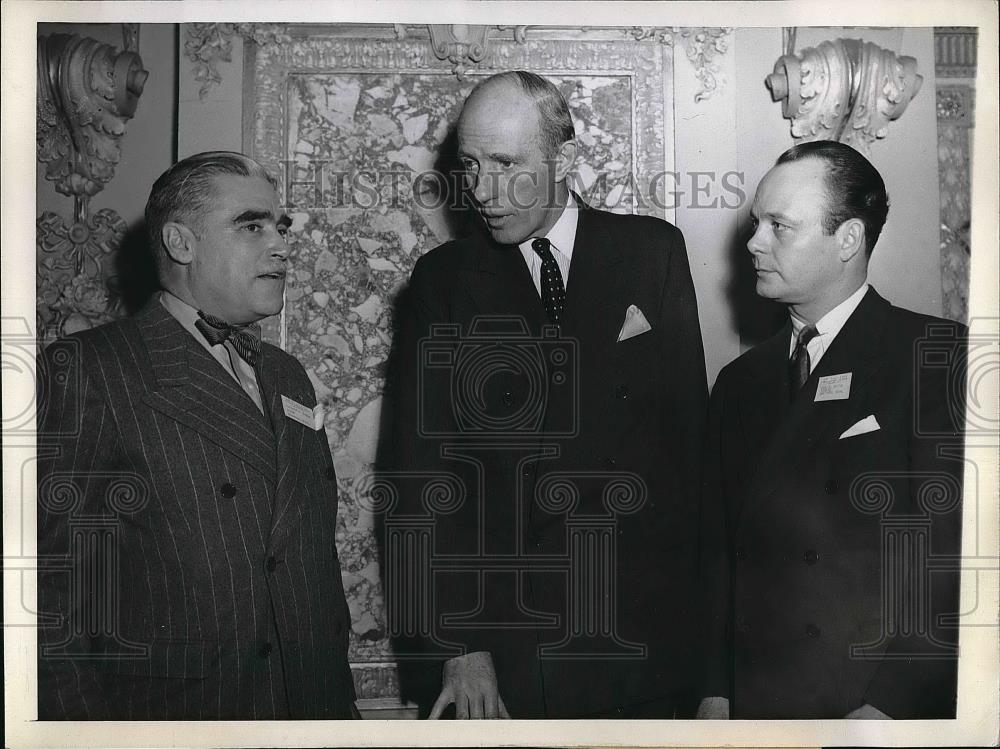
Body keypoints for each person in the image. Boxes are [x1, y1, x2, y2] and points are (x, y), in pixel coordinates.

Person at [381, 71, 708, 718]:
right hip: (507, 657)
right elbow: (416, 476)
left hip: (645, 645)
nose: (483, 191)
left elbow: (691, 459)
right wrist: (456, 643)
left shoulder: (653, 253)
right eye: (471, 165)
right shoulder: (443, 283)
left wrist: (712, 665)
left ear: (567, 156)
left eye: (507, 163)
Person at [36, 152, 358, 719]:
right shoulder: (90, 369)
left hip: (309, 707)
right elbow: (46, 593)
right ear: (182, 244)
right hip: (184, 712)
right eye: (251, 225)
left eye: (280, 228)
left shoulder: (287, 374)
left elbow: (310, 554)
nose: (281, 246)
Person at [697, 140, 965, 719]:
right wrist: (715, 691)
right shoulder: (739, 381)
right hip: (754, 706)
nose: (752, 242)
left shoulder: (934, 357)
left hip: (866, 703)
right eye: (754, 222)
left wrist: (889, 707)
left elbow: (955, 562)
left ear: (848, 239)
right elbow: (719, 554)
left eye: (779, 226)